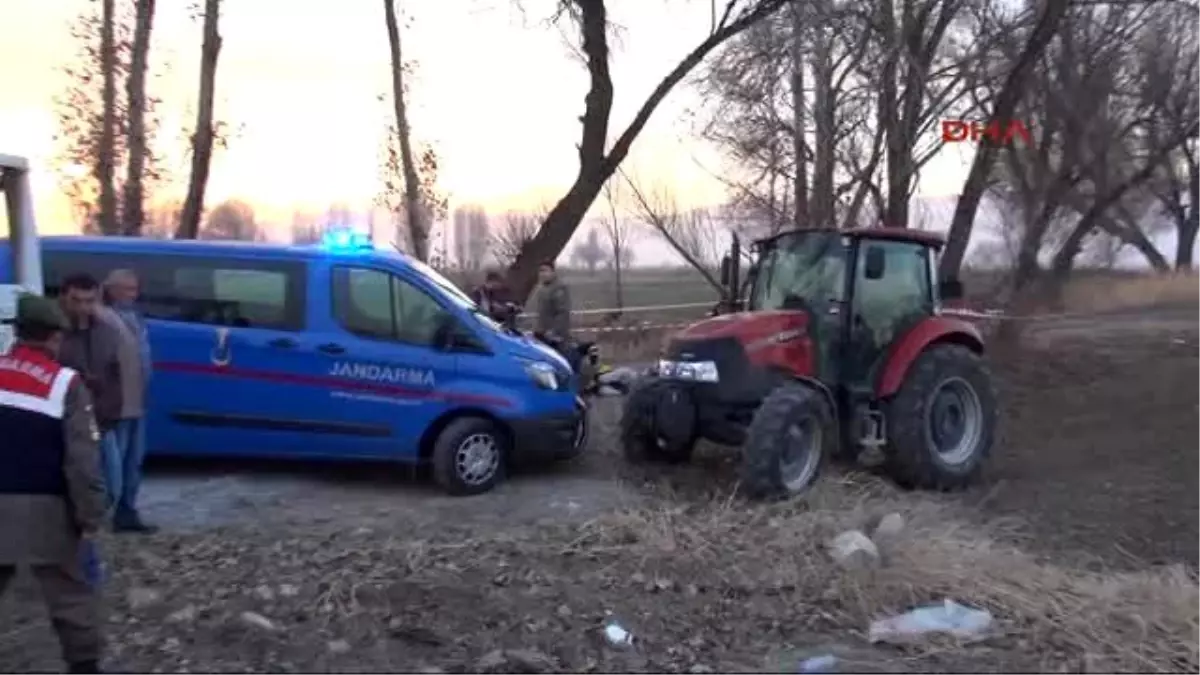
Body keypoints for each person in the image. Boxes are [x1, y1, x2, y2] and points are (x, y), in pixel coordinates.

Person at [0, 293, 108, 673]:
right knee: (70, 596)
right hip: (45, 509)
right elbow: (81, 461)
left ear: (16, 333)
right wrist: (90, 515)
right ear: (55, 338)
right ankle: (83, 666)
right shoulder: (64, 383)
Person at [55, 274, 125, 523]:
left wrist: (113, 410)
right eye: (77, 301)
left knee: (112, 488)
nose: (83, 307)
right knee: (78, 489)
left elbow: (115, 373)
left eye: (89, 301)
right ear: (64, 298)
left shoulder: (106, 331)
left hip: (102, 419)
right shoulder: (55, 334)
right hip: (69, 422)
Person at [99, 270, 155, 534]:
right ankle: (101, 516)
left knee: (133, 462)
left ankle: (127, 513)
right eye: (127, 289)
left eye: (135, 289)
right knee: (113, 466)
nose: (133, 295)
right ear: (111, 289)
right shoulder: (102, 317)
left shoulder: (135, 318)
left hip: (137, 403)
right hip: (117, 405)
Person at [532, 259, 572, 348]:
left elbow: (563, 312)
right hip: (541, 332)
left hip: (554, 335)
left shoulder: (559, 288)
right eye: (540, 271)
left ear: (553, 272)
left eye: (545, 271)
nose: (542, 274)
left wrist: (555, 331)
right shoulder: (541, 288)